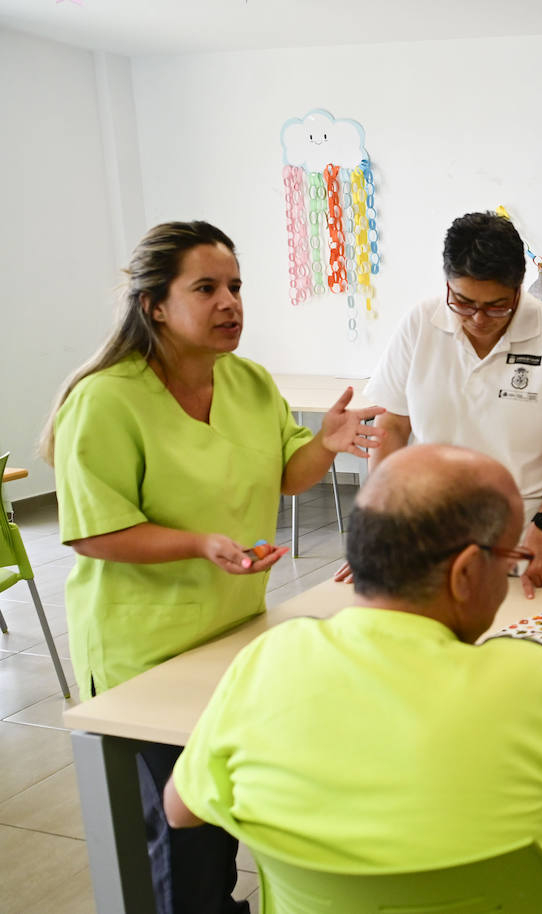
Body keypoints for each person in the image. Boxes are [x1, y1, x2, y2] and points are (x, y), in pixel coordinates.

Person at [164, 444, 542, 914]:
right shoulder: (531, 677)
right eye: (510, 557)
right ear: (467, 572)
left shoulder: (269, 659)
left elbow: (179, 808)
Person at [43, 220, 383, 913]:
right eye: (206, 288)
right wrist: (200, 543)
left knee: (222, 813)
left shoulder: (248, 383)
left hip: (233, 637)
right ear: (155, 305)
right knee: (182, 844)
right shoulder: (106, 399)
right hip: (145, 654)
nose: (230, 303)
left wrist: (327, 444)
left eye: (235, 287)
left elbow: (288, 473)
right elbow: (93, 533)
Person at [335, 211, 542, 597]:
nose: (479, 319)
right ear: (447, 282)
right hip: (431, 541)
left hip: (531, 543)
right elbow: (392, 427)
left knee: (528, 651)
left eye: (497, 306)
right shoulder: (421, 323)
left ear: (519, 288)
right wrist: (380, 528)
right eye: (463, 302)